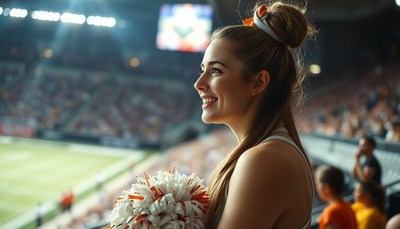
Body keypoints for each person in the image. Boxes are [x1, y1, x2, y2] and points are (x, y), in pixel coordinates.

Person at [193, 1, 317, 228]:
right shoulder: (268, 151)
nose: (199, 84)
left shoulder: (265, 159)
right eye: (203, 70)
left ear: (258, 82)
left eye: (216, 70)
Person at [314, 165, 357, 229]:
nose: (316, 188)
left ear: (326, 188)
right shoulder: (348, 206)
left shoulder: (331, 212)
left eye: (317, 184)